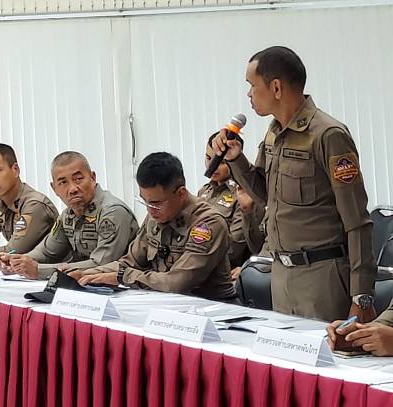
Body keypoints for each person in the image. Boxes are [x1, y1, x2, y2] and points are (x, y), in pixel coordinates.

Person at [212, 46, 375, 323]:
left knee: (327, 350)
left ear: (276, 87)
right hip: (281, 274)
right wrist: (236, 159)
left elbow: (357, 220)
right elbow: (264, 194)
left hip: (321, 277)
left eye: (252, 85)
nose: (248, 94)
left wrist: (361, 296)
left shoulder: (327, 135)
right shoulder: (274, 133)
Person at [77, 152, 234, 299]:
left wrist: (123, 277)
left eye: (156, 203)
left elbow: (177, 283)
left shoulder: (208, 224)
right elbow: (130, 262)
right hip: (164, 303)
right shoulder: (157, 215)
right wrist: (86, 274)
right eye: (144, 201)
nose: (150, 210)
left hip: (211, 307)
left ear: (181, 194)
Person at [5, 150, 139, 280]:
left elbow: (102, 264)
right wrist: (17, 261)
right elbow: (47, 252)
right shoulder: (67, 215)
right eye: (63, 182)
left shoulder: (113, 212)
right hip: (86, 284)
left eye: (78, 179)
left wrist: (39, 270)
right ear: (54, 188)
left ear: (93, 178)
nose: (73, 189)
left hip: (125, 285)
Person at [198, 138, 265, 269]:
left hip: (227, 268)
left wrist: (197, 257)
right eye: (208, 158)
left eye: (221, 162)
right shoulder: (204, 191)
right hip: (200, 261)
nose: (212, 165)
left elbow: (234, 247)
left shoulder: (245, 193)